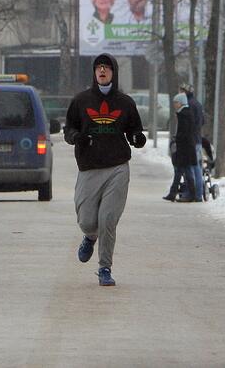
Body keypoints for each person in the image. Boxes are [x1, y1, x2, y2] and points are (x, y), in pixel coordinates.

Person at [64, 53, 146, 286]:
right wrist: (76, 137)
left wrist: (137, 138)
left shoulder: (125, 102)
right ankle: (90, 236)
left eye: (107, 68)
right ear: (94, 72)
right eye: (99, 67)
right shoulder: (81, 101)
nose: (102, 71)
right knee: (88, 220)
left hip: (117, 167)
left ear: (113, 73)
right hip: (89, 167)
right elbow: (69, 128)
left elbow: (135, 130)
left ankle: (105, 268)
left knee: (108, 218)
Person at [162, 92, 197, 202]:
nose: (174, 104)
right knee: (180, 171)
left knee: (186, 171)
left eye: (176, 102)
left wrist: (177, 139)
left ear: (181, 102)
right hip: (185, 148)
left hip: (184, 149)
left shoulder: (184, 115)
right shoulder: (185, 113)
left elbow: (184, 132)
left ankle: (191, 194)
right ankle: (173, 193)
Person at [180, 83, 204, 202]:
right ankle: (199, 194)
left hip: (190, 141)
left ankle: (191, 193)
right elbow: (202, 121)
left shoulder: (187, 105)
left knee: (190, 168)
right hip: (197, 140)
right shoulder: (198, 104)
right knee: (197, 168)